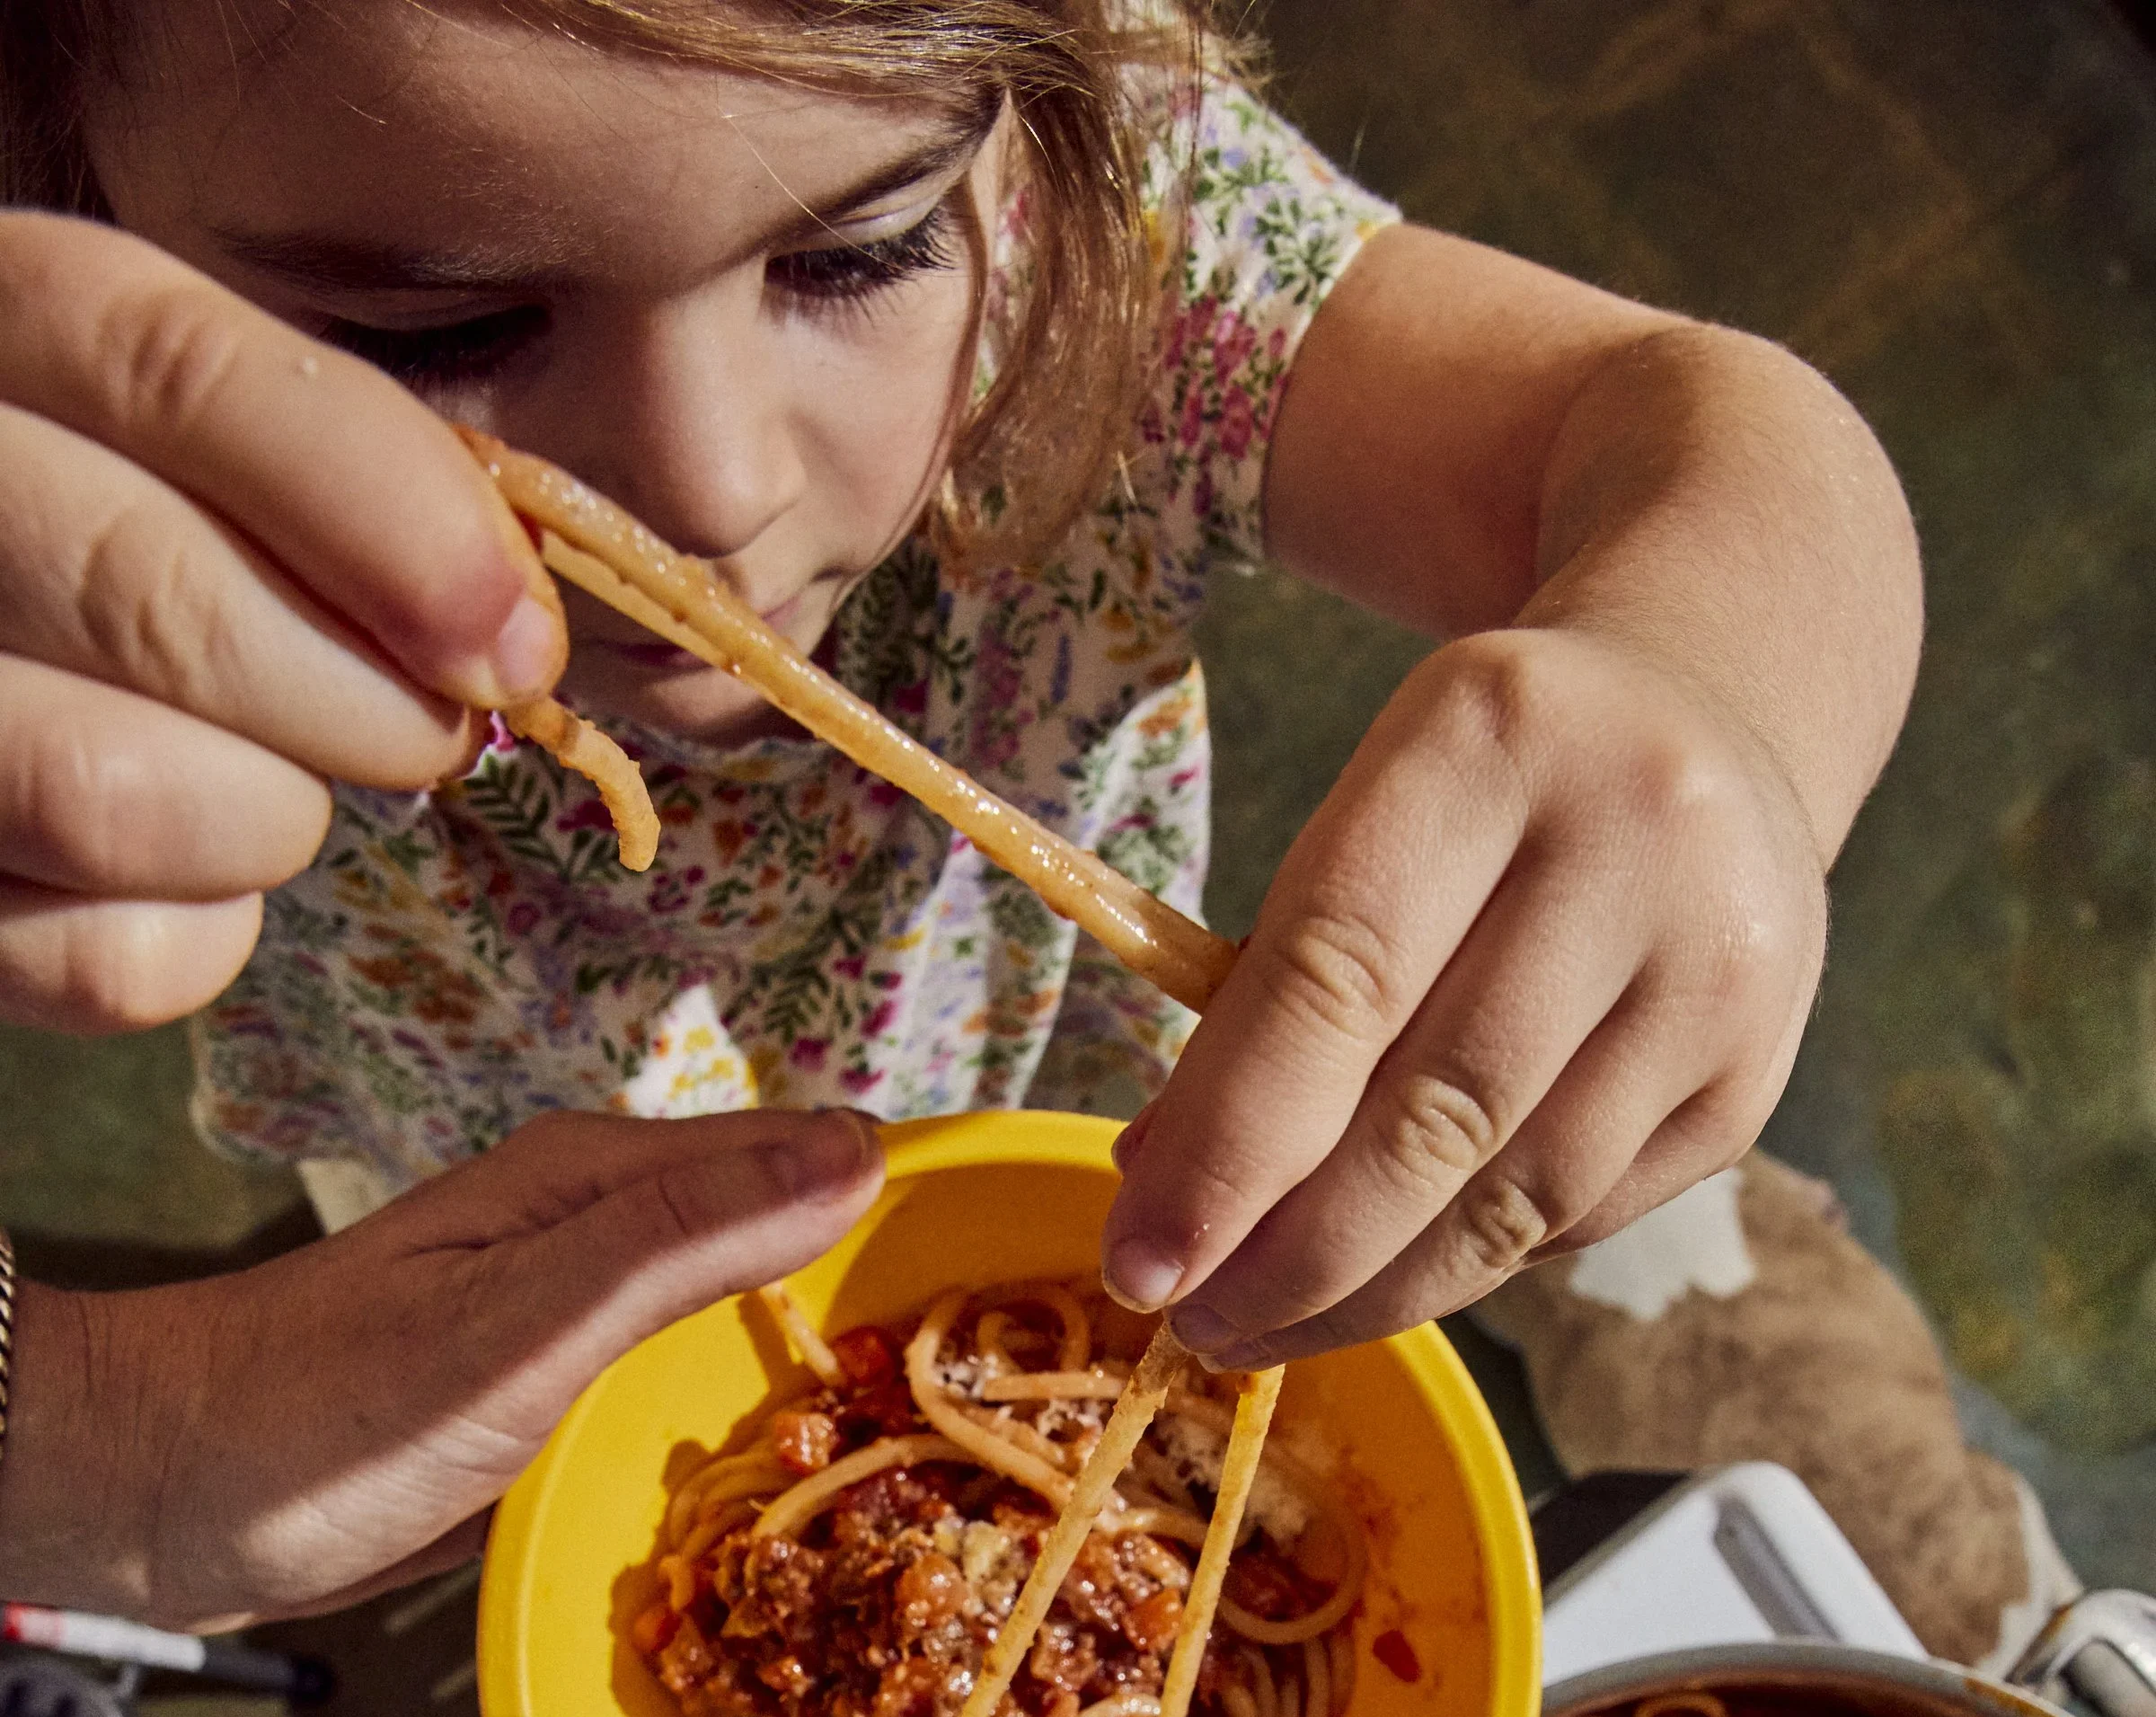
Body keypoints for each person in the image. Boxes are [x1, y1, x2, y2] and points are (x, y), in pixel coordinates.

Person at [0, 0, 1922, 1631]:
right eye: (443, 329)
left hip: (1086, 1095)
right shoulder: (69, 515)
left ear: (1027, 127)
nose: (713, 485)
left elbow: (1716, 435)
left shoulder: (1108, 247)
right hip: (454, 1177)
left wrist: (1720, 694)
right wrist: (124, 1440)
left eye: (857, 251)